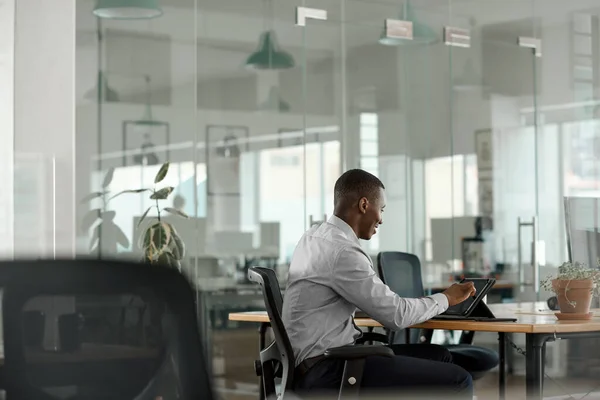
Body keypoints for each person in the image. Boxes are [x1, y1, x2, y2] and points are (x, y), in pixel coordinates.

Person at [282, 169, 477, 399]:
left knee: (440, 355)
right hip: (329, 370)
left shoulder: (314, 237)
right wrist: (447, 298)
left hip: (317, 363)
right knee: (458, 381)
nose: (381, 219)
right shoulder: (342, 251)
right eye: (381, 209)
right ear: (364, 205)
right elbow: (396, 316)